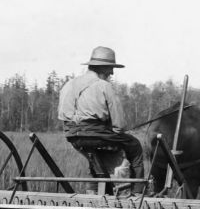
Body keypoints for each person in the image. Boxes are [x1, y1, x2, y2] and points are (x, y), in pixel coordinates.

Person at [57, 46, 144, 194]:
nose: (112, 73)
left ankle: (93, 189)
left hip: (72, 136)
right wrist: (116, 132)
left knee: (94, 156)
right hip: (97, 134)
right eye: (110, 68)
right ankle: (138, 191)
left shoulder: (68, 85)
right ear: (102, 67)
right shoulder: (104, 86)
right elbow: (119, 125)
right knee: (135, 145)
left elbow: (63, 116)